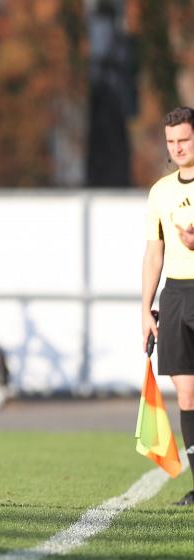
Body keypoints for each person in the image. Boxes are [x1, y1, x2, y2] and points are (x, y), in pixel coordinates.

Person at [142, 106, 194, 506]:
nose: (177, 148)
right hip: (175, 296)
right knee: (187, 393)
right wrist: (146, 309)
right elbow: (154, 252)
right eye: (171, 142)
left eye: (184, 140)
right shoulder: (160, 192)